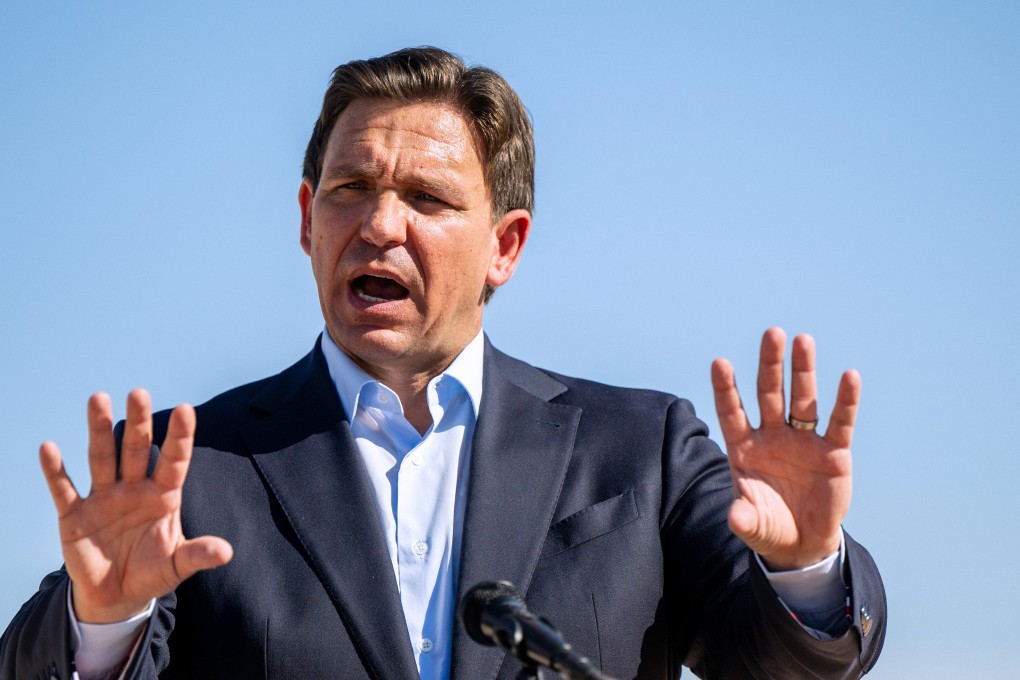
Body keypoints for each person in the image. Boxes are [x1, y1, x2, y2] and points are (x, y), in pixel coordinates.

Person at [0, 47, 885, 680]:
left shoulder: (640, 449)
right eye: (351, 190)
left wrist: (804, 567)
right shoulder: (184, 467)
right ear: (307, 220)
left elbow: (781, 665)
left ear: (505, 245)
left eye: (427, 198)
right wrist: (106, 624)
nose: (381, 225)